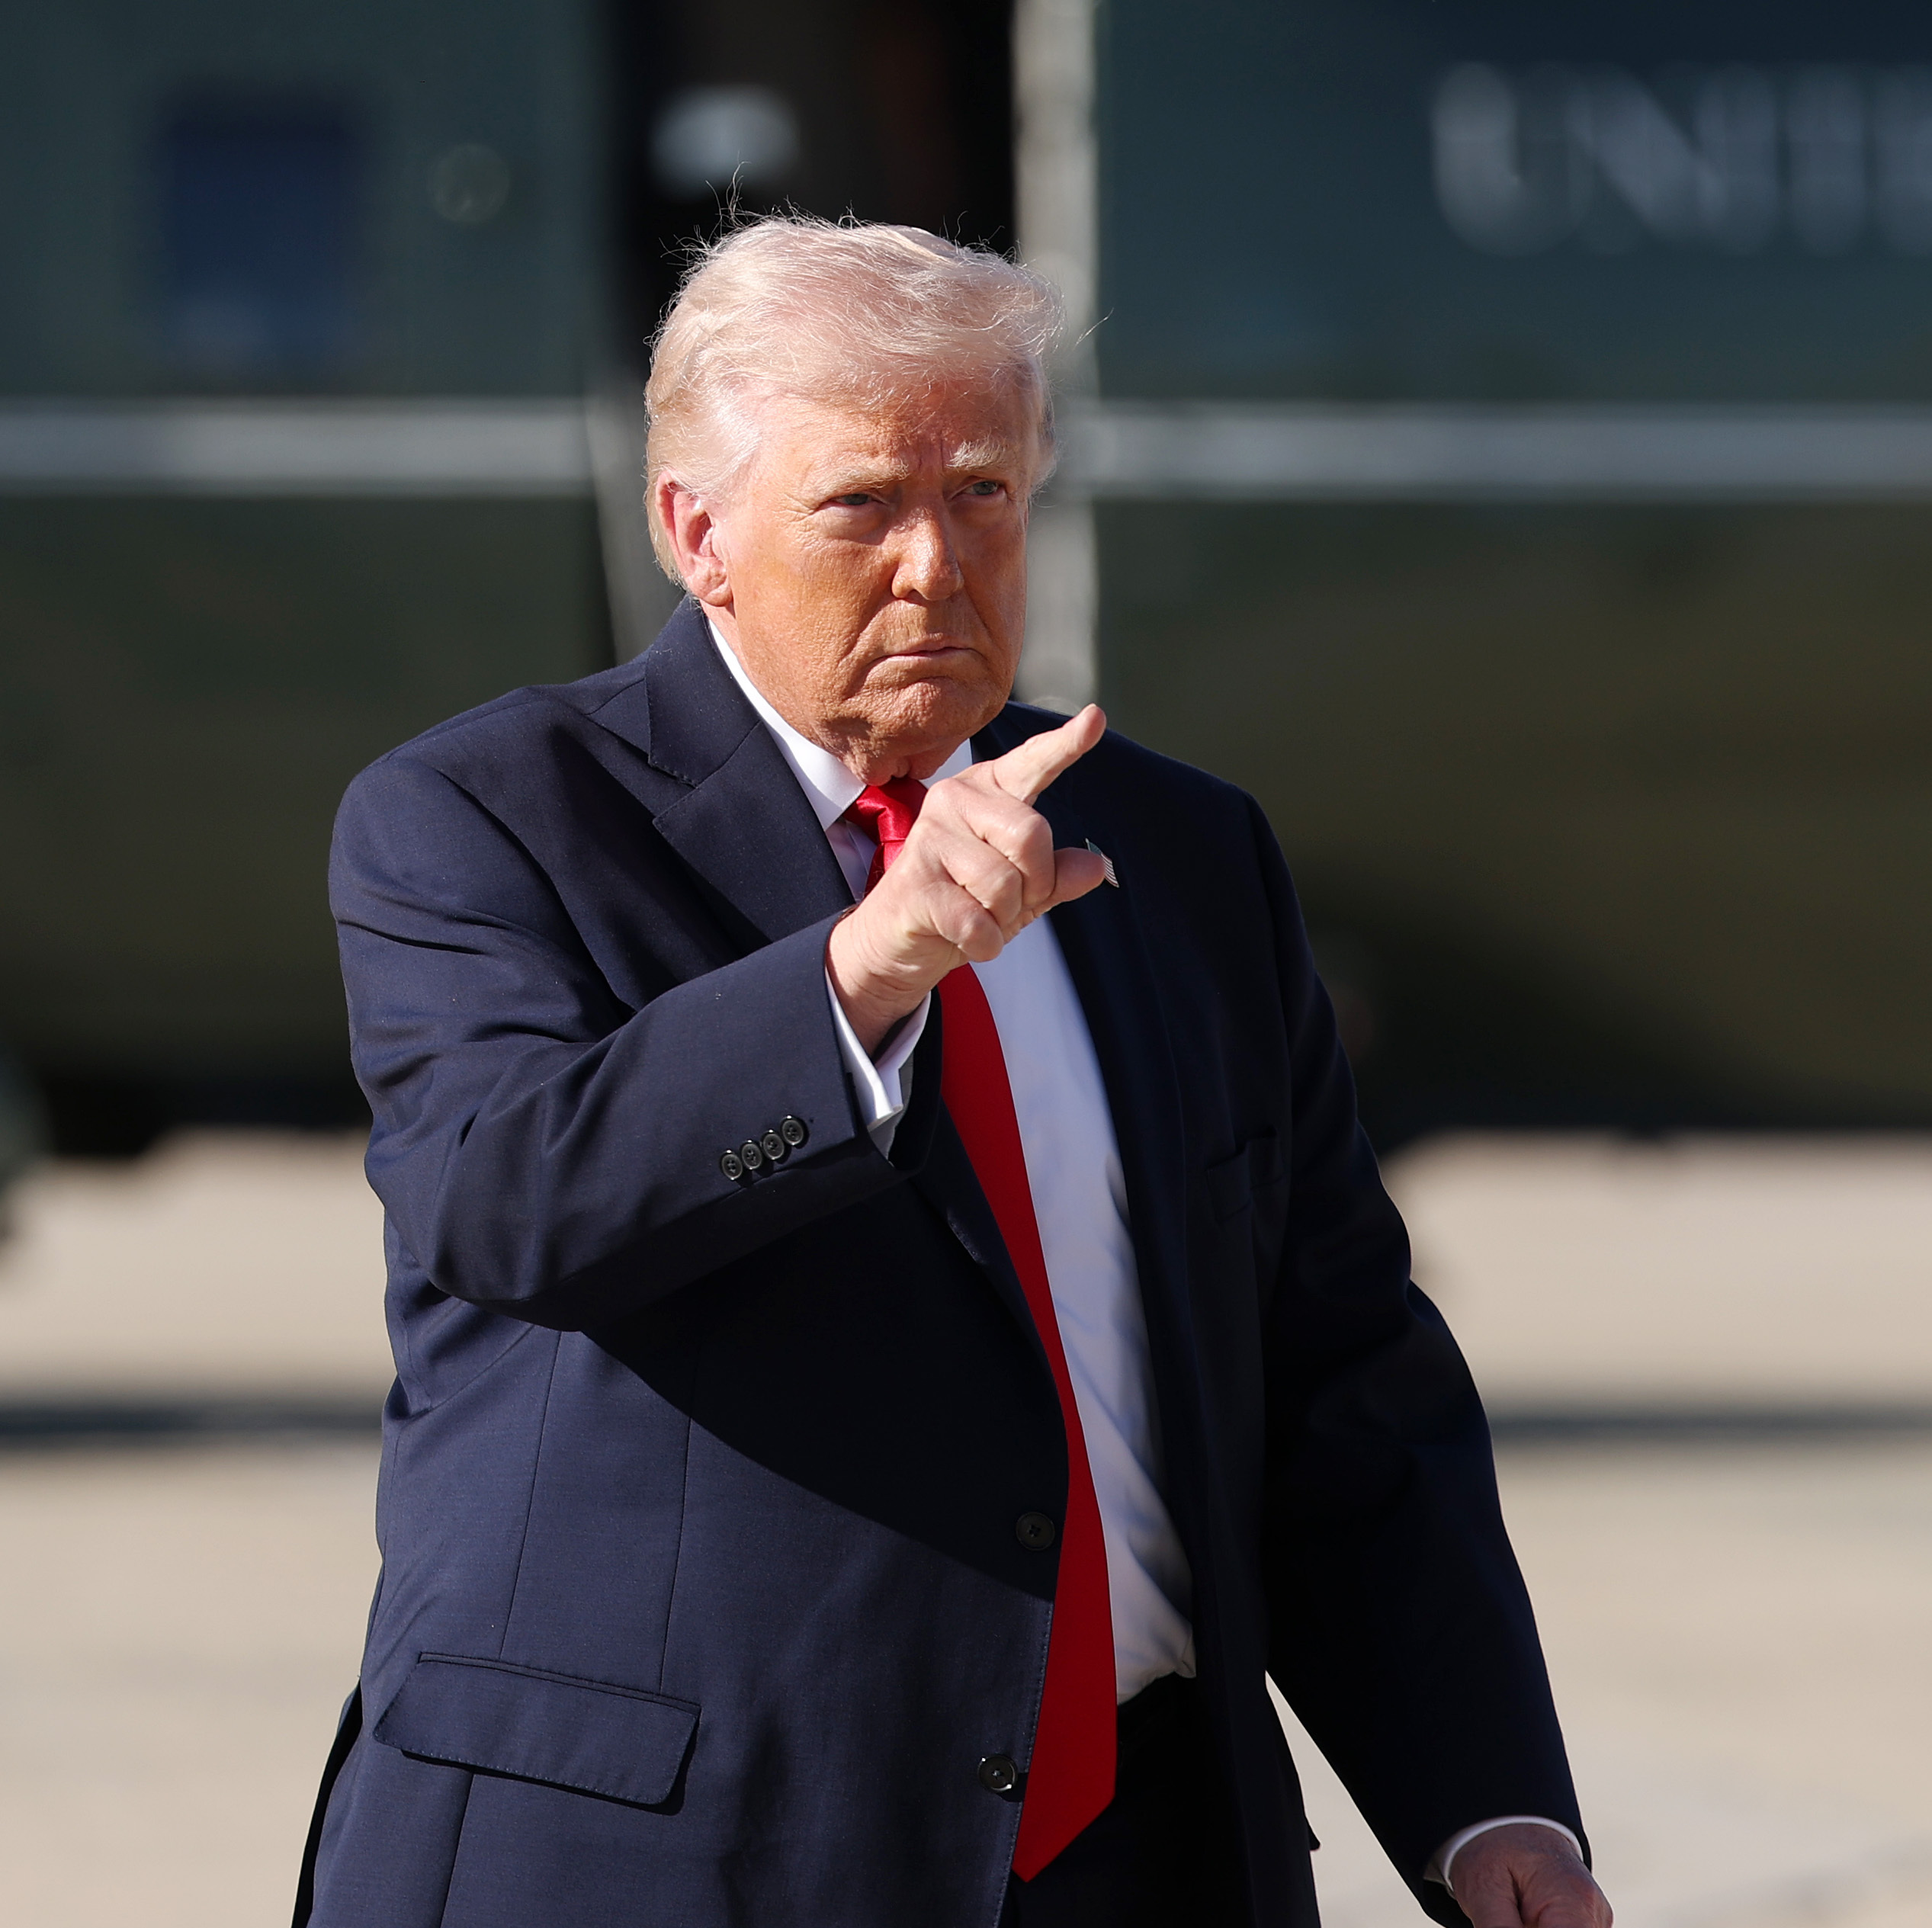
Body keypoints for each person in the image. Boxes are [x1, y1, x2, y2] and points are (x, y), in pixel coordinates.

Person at [297, 218, 1612, 1928]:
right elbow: (509, 1197)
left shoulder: (1178, 848)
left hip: (1134, 1856)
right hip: (671, 1860)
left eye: (984, 493)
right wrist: (864, 972)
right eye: (862, 504)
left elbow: (1334, 1367)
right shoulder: (485, 817)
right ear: (699, 533)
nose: (936, 562)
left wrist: (1484, 1800)